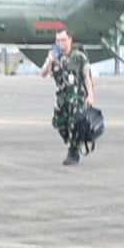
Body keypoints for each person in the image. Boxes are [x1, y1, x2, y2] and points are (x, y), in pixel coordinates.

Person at [40, 29, 96, 165]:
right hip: (62, 96)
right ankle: (73, 141)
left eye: (63, 40)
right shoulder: (55, 57)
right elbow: (43, 73)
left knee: (74, 124)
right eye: (58, 41)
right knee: (58, 122)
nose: (61, 43)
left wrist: (90, 96)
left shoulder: (78, 57)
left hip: (76, 96)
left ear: (70, 40)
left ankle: (73, 151)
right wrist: (50, 60)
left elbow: (87, 77)